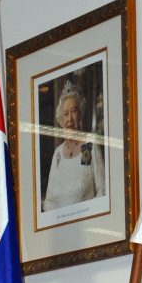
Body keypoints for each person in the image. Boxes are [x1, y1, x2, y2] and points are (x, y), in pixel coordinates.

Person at [42, 79, 106, 212]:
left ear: (81, 113)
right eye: (65, 114)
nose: (70, 119)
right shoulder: (58, 153)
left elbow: (102, 190)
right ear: (61, 120)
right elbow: (48, 201)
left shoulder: (89, 144)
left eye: (74, 111)